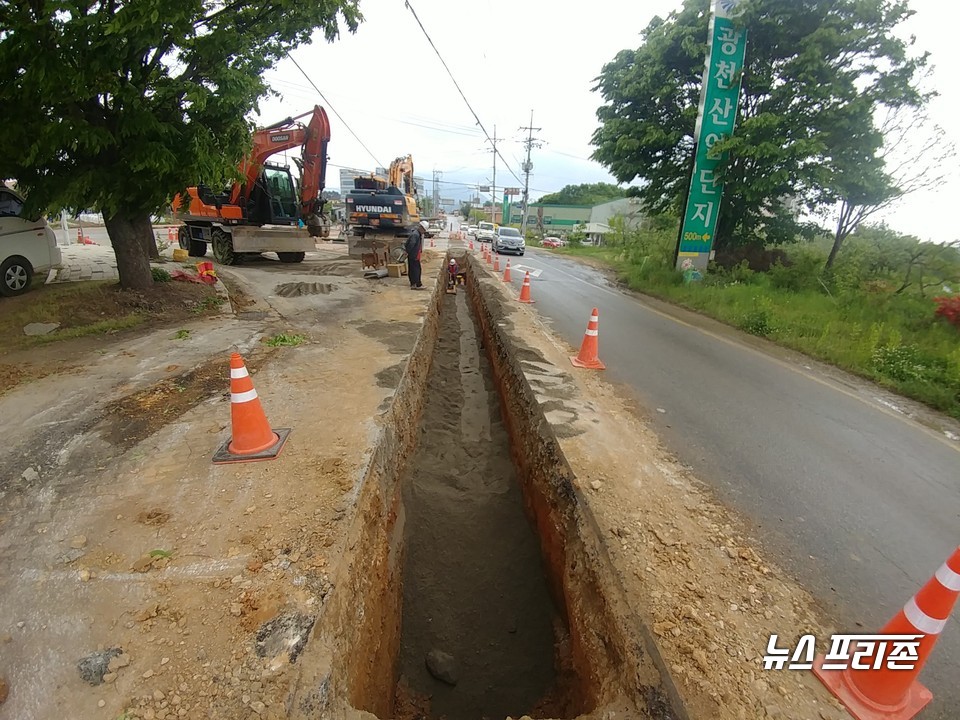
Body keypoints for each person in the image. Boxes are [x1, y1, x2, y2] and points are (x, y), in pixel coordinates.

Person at [405, 219, 428, 289]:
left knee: (412, 269)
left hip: (414, 255)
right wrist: (408, 252)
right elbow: (411, 244)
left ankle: (413, 283)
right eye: (424, 230)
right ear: (421, 228)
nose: (424, 232)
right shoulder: (415, 234)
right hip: (414, 255)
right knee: (416, 270)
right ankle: (417, 284)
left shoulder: (417, 233)